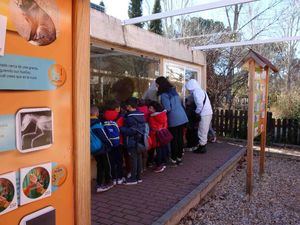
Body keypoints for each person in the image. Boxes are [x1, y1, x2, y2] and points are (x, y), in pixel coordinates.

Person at [155, 77, 188, 166]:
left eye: (157, 84)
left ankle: (174, 159)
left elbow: (168, 108)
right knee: (180, 138)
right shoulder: (173, 91)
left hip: (174, 118)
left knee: (174, 139)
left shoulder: (164, 94)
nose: (156, 86)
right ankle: (179, 158)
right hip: (182, 116)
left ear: (160, 85)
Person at [120, 97, 146, 185]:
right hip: (139, 141)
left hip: (132, 141)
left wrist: (122, 129)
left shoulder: (130, 118)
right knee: (138, 158)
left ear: (129, 106)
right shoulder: (141, 115)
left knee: (133, 159)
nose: (126, 107)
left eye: (127, 106)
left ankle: (133, 178)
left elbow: (131, 131)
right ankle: (138, 177)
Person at [90, 106, 114, 192]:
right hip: (101, 147)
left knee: (99, 165)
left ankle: (99, 183)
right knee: (107, 164)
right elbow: (103, 136)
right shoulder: (97, 123)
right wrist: (110, 144)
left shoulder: (86, 122)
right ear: (96, 113)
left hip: (93, 148)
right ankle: (108, 181)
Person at [185, 79, 213, 153]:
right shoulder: (200, 90)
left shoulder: (197, 92)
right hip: (207, 113)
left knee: (202, 130)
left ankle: (202, 147)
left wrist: (196, 112)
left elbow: (200, 105)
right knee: (203, 130)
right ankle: (202, 145)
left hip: (204, 114)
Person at [103, 100, 125, 185]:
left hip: (108, 142)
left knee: (111, 160)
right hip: (118, 141)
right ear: (117, 108)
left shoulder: (103, 116)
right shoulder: (120, 117)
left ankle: (113, 177)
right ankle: (120, 177)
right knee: (119, 160)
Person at [148, 101, 168, 172]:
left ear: (155, 109)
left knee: (158, 150)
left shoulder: (152, 117)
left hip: (156, 135)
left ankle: (159, 165)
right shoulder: (163, 114)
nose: (149, 109)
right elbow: (165, 124)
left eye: (150, 108)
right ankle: (164, 162)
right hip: (163, 134)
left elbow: (153, 127)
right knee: (163, 148)